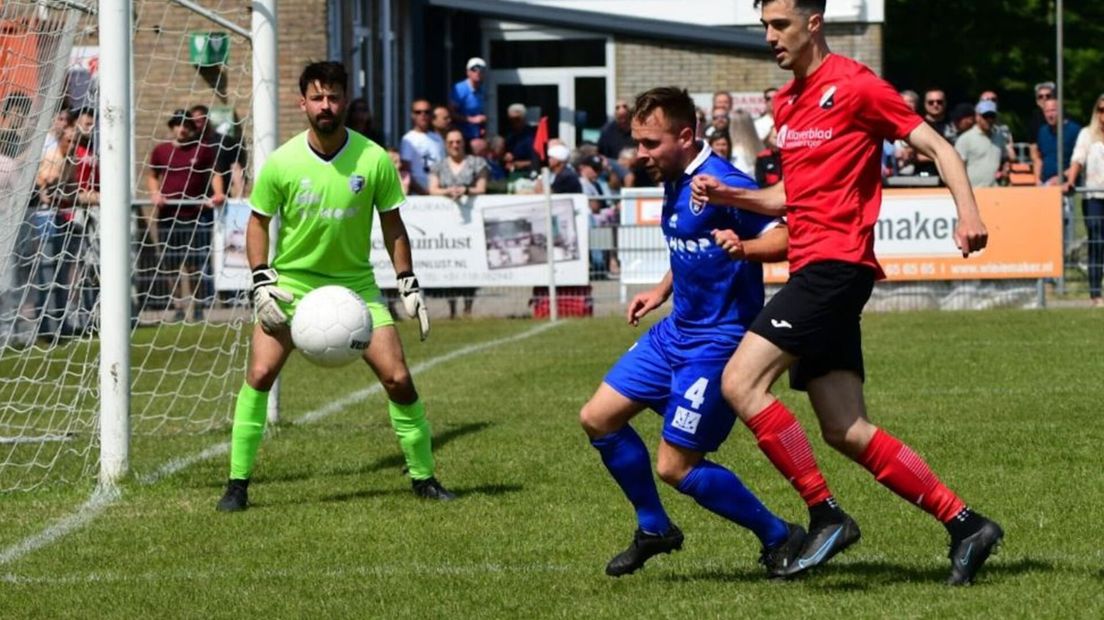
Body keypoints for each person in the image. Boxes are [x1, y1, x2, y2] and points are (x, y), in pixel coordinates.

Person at [691, 0, 1001, 586]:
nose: (770, 37)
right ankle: (967, 525)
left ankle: (824, 515)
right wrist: (730, 196)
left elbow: (939, 147)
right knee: (845, 428)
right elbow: (789, 198)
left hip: (835, 267)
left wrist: (967, 211)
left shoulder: (855, 86)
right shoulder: (786, 104)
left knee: (740, 382)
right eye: (764, 26)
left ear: (813, 22)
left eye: (779, 24)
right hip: (814, 267)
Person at [579, 86, 805, 579]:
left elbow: (788, 238)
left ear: (686, 135)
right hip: (676, 330)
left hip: (718, 342)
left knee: (675, 466)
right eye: (638, 142)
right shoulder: (674, 175)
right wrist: (661, 289)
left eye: (651, 143)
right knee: (598, 418)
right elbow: (690, 240)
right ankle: (654, 527)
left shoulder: (724, 181)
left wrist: (743, 247)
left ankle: (779, 534)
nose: (641, 154)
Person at [215, 61, 454, 512]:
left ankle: (424, 478)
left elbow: (393, 224)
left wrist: (407, 281)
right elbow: (257, 223)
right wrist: (262, 278)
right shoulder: (283, 161)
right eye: (318, 97)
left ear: (345, 100)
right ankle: (236, 485)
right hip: (292, 287)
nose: (326, 106)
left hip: (357, 289)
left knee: (399, 379)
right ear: (302, 102)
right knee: (260, 375)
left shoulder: (373, 158)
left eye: (334, 97)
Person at [146, 109, 225, 321]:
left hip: (195, 215)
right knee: (171, 264)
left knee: (194, 265)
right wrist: (155, 193)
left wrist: (218, 193)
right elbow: (153, 175)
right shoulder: (161, 151)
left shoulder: (204, 150)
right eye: (178, 124)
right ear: (172, 127)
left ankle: (198, 308)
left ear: (192, 128)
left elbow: (215, 172)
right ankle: (179, 308)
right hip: (168, 217)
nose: (182, 129)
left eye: (186, 125)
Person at [428, 128, 487, 318]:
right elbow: (432, 189)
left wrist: (466, 190)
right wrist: (447, 192)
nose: (455, 145)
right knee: (450, 263)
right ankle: (452, 308)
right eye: (451, 142)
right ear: (446, 145)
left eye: (458, 141)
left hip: (470, 222)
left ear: (464, 143)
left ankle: (468, 308)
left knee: (471, 260)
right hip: (446, 222)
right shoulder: (438, 165)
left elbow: (481, 187)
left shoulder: (477, 163)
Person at [1065, 93, 1104, 307]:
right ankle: (1095, 294)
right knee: (1097, 243)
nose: (1103, 115)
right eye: (1100, 110)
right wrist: (1070, 180)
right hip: (1094, 196)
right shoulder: (1086, 134)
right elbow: (1077, 159)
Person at [955, 100, 1008, 188]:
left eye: (992, 116)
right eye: (985, 116)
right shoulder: (965, 138)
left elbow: (1004, 159)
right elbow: (957, 168)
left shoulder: (1000, 136)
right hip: (973, 191)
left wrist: (1005, 168)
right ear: (977, 117)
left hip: (996, 190)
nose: (989, 119)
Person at [399, 99, 445, 195]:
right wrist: (424, 192)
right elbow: (405, 171)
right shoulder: (408, 139)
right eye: (418, 112)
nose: (422, 115)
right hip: (418, 194)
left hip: (439, 192)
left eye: (426, 112)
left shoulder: (437, 137)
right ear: (412, 115)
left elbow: (443, 164)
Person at [1034, 98, 1080, 186]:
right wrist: (1037, 179)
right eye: (1046, 111)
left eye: (1053, 110)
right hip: (1045, 185)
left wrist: (1061, 177)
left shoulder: (1075, 130)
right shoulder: (1042, 131)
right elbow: (1038, 158)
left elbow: (1080, 162)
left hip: (1067, 185)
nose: (1050, 115)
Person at [450, 57, 487, 141]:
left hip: (477, 135)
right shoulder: (460, 89)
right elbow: (451, 113)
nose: (478, 72)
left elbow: (479, 113)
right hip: (462, 137)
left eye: (481, 70)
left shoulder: (482, 90)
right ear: (468, 72)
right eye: (474, 69)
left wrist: (482, 126)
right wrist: (472, 120)